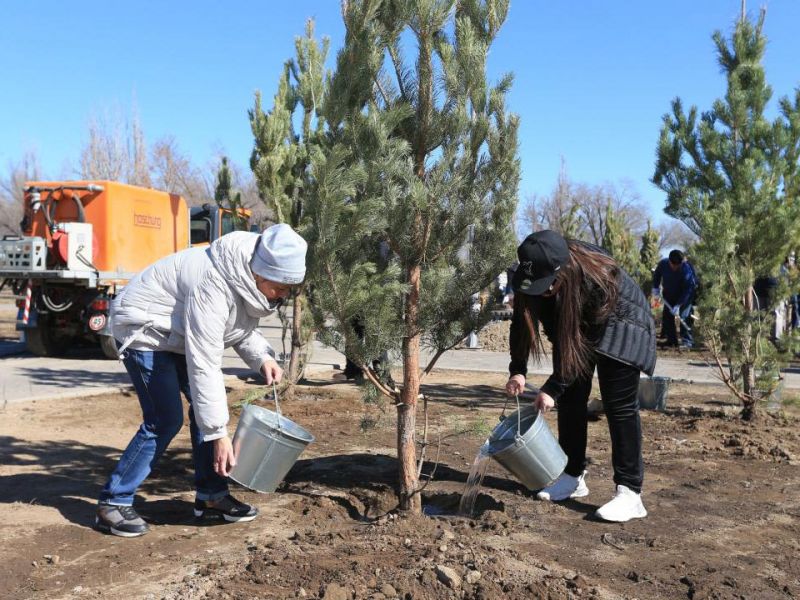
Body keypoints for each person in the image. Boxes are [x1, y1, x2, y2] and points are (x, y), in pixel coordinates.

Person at [95, 224, 307, 537]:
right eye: (280, 287)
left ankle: (211, 496)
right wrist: (218, 433)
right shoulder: (213, 281)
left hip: (177, 335)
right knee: (165, 419)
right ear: (261, 272)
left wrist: (262, 356)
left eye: (289, 289)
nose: (283, 295)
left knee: (202, 407)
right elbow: (205, 362)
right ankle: (113, 502)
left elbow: (239, 325)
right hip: (145, 331)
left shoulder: (246, 273)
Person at [505, 230, 655, 523]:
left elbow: (583, 346)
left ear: (562, 272)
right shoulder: (531, 272)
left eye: (547, 286)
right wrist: (518, 370)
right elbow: (521, 324)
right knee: (571, 397)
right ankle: (573, 475)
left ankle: (630, 492)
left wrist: (553, 386)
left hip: (621, 323)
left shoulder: (596, 279)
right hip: (577, 327)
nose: (542, 292)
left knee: (618, 403)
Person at [652, 249, 697, 348]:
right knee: (667, 317)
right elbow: (657, 274)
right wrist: (655, 287)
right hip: (669, 295)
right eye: (673, 265)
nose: (675, 267)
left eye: (678, 265)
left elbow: (689, 290)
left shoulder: (686, 269)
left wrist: (678, 305)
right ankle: (671, 341)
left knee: (684, 316)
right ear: (669, 261)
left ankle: (687, 341)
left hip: (685, 296)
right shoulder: (663, 264)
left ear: (682, 262)